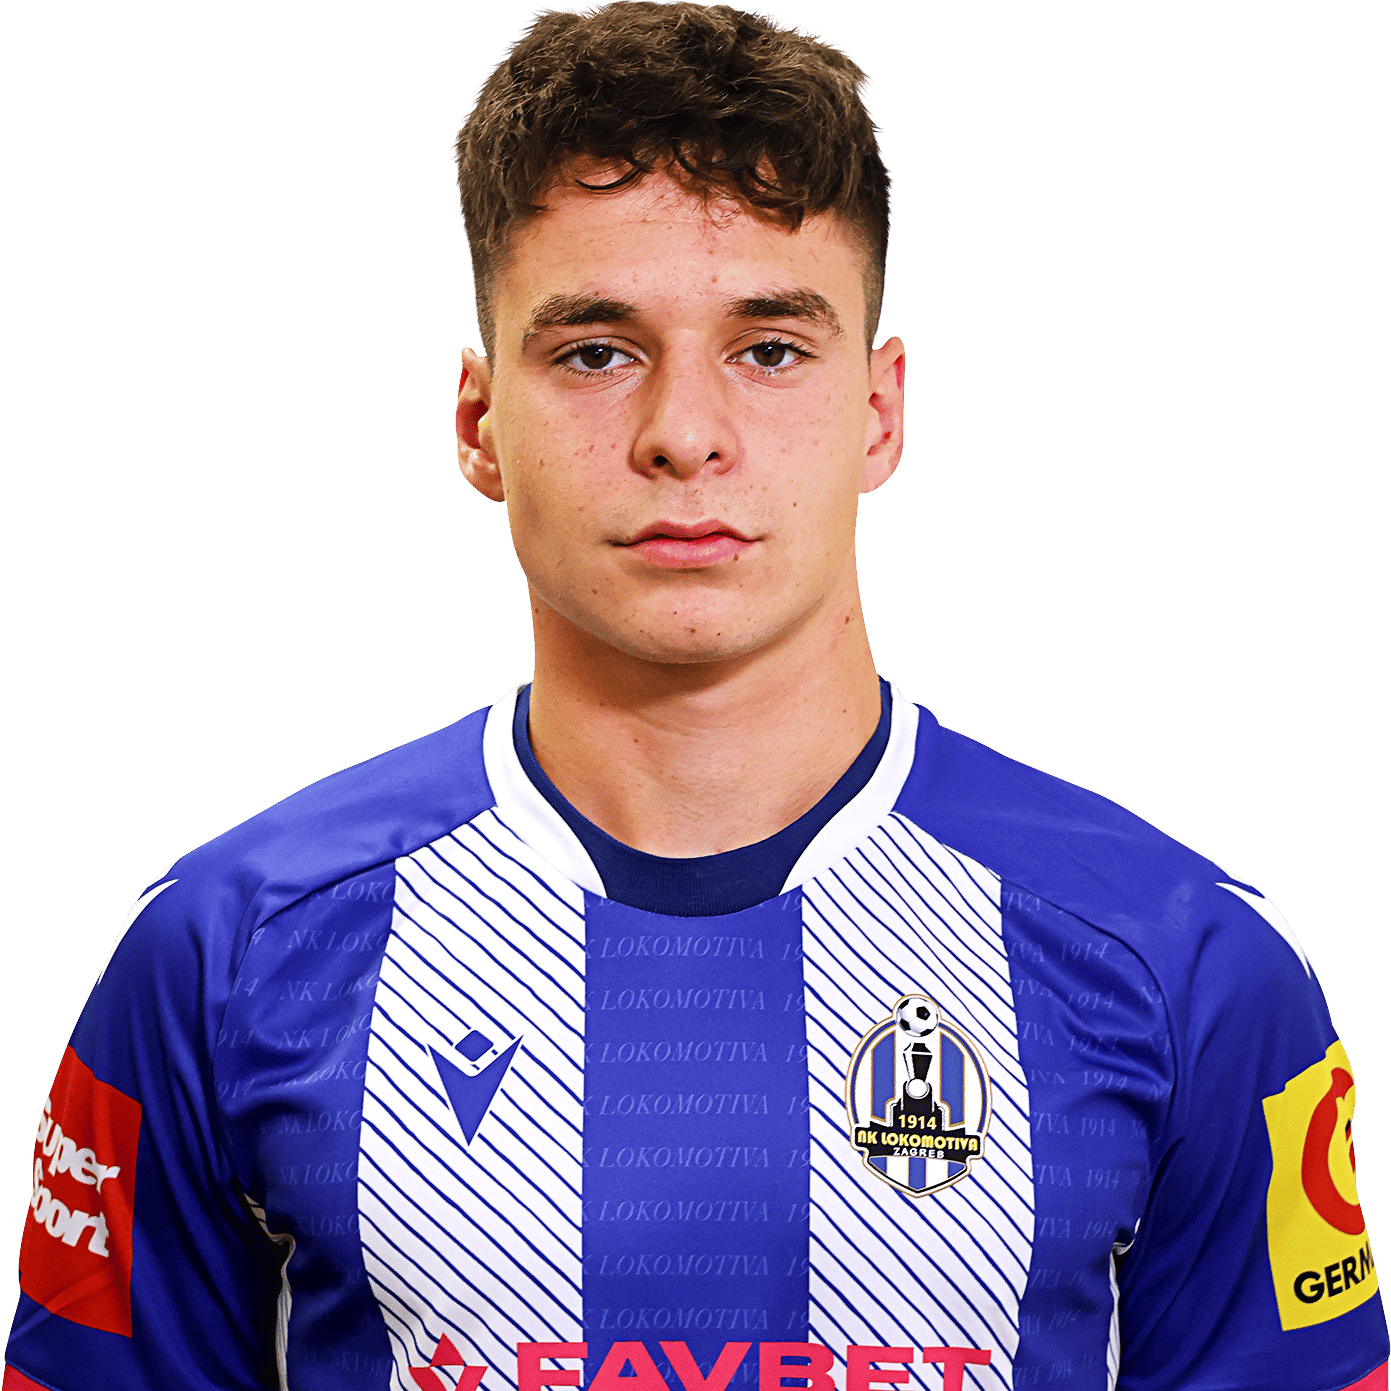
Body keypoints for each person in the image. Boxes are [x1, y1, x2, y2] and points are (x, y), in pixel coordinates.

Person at [5, 2, 1385, 1388]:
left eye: (769, 348)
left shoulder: (1186, 960)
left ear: (879, 412)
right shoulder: (225, 951)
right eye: (595, 352)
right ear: (482, 423)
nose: (682, 434)